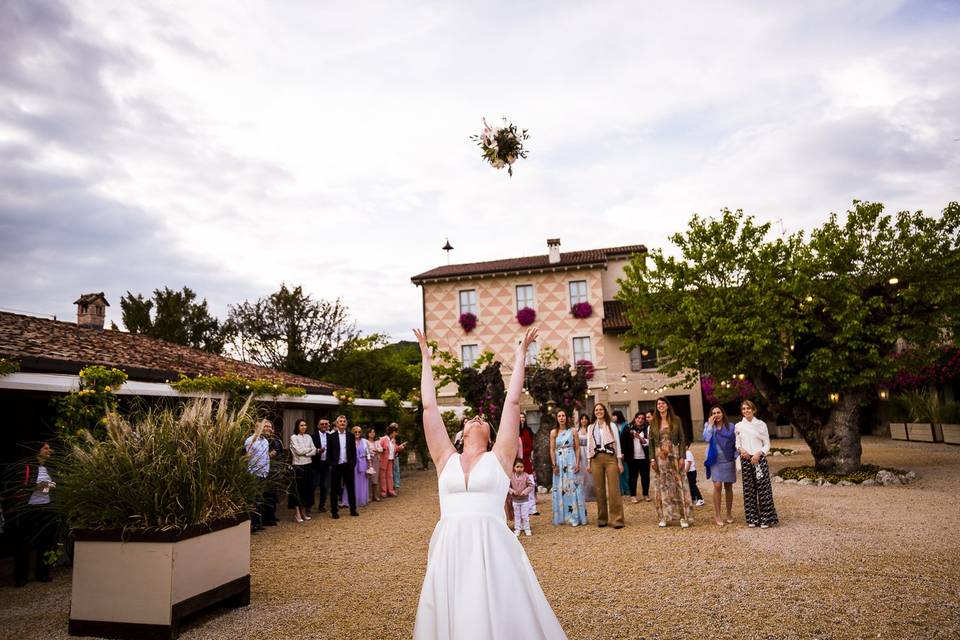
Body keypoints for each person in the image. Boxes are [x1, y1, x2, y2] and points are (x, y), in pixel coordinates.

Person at [412, 326, 566, 639]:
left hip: (491, 547)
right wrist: (426, 359)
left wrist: (521, 355)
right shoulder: (445, 459)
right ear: (463, 433)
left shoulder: (499, 458)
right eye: (471, 419)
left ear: (490, 435)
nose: (477, 418)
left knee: (497, 615)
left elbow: (511, 405)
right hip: (450, 546)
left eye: (482, 420)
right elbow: (429, 408)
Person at [11, 441, 59, 587]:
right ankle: (20, 578)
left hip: (46, 508)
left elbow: (51, 487)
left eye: (49, 448)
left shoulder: (50, 468)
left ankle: (42, 574)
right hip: (29, 509)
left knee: (45, 543)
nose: (48, 450)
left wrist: (49, 487)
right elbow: (18, 486)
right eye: (45, 448)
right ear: (37, 450)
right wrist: (37, 486)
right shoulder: (27, 466)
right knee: (23, 544)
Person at [650, 397, 694, 528]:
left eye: (663, 403)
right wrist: (652, 459)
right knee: (663, 486)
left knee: (678, 485)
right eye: (658, 404)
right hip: (660, 458)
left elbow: (682, 438)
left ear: (667, 406)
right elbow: (651, 443)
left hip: (674, 456)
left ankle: (683, 517)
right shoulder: (653, 422)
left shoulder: (676, 420)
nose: (661, 405)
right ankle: (664, 516)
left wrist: (682, 457)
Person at [736, 400, 778, 529]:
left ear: (753, 410)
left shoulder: (761, 425)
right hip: (746, 459)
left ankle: (766, 518)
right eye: (743, 409)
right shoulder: (738, 426)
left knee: (764, 489)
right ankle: (752, 518)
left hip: (759, 460)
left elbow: (767, 444)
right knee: (749, 491)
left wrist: (759, 454)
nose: (746, 411)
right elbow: (737, 443)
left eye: (748, 408)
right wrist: (741, 449)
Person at [587, 403, 625, 529]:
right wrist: (588, 462)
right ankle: (602, 518)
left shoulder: (612, 425)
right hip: (596, 459)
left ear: (604, 411)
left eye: (601, 409)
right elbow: (589, 445)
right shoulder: (590, 427)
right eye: (596, 410)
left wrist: (619, 462)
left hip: (610, 458)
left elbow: (618, 444)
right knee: (599, 489)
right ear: (594, 412)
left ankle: (617, 519)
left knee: (614, 489)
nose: (599, 411)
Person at [550, 410, 586, 527]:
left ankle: (575, 516)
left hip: (571, 460)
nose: (561, 418)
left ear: (567, 417)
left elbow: (577, 448)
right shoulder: (553, 432)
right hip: (559, 462)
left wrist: (577, 463)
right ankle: (562, 517)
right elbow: (552, 449)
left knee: (573, 487)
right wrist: (554, 464)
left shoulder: (573, 431)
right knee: (561, 487)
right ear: (556, 418)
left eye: (563, 415)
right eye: (559, 416)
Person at [703, 405, 737, 526]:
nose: (716, 415)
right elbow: (706, 439)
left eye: (718, 412)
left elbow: (736, 443)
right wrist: (710, 426)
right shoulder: (708, 426)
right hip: (715, 460)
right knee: (717, 485)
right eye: (713, 413)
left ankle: (728, 513)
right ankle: (717, 514)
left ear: (722, 414)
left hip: (728, 459)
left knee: (728, 486)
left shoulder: (731, 427)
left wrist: (736, 456)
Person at [326, 415, 358, 518]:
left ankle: (353, 510)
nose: (342, 423)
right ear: (337, 424)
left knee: (351, 489)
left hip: (348, 466)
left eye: (344, 421)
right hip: (336, 466)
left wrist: (353, 464)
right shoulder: (331, 436)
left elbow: (353, 452)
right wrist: (331, 464)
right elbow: (329, 453)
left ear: (346, 423)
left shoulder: (351, 436)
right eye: (340, 421)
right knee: (334, 490)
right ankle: (334, 512)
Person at [289, 419, 316, 523]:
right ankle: (297, 513)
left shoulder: (308, 437)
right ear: (297, 426)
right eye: (301, 425)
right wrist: (308, 450)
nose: (304, 427)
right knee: (298, 491)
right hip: (298, 467)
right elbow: (299, 452)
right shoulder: (293, 437)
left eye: (305, 425)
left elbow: (314, 450)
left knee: (307, 490)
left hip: (308, 465)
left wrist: (307, 452)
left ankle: (303, 511)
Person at [244, 421, 270, 532]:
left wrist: (267, 470)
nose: (267, 429)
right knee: (253, 500)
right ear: (257, 428)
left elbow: (266, 456)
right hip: (254, 474)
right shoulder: (250, 441)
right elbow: (247, 458)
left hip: (263, 473)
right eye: (265, 427)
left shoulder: (265, 441)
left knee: (260, 499)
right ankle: (252, 525)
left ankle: (258, 524)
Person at [621, 412, 650, 503]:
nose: (640, 420)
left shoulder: (647, 428)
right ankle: (633, 495)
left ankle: (646, 494)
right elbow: (622, 441)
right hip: (632, 457)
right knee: (633, 477)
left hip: (644, 457)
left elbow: (649, 442)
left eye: (642, 418)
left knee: (645, 476)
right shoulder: (628, 427)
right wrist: (622, 452)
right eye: (638, 418)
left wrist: (640, 438)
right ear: (635, 418)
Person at [262, 421, 283, 526]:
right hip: (263, 471)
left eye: (269, 426)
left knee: (274, 495)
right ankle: (265, 518)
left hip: (275, 471)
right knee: (265, 495)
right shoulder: (260, 440)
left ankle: (272, 515)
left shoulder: (276, 440)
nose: (267, 428)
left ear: (273, 429)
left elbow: (278, 453)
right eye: (265, 426)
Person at [518, 414, 539, 516]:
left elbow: (530, 446)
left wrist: (521, 452)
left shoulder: (527, 432)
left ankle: (532, 508)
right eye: (520, 417)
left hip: (525, 461)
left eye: (523, 417)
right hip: (516, 463)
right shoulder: (514, 432)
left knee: (531, 483)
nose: (521, 419)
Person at [509, 459, 535, 536]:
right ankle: (517, 529)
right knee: (517, 516)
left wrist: (524, 492)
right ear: (514, 467)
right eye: (517, 467)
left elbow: (531, 486)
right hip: (515, 500)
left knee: (525, 515)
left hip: (524, 500)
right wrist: (512, 491)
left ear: (523, 467)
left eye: (521, 467)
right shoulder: (511, 476)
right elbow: (507, 486)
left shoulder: (526, 476)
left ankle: (527, 529)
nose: (519, 469)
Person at [311, 418, 331, 513]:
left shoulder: (331, 436)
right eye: (322, 424)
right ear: (318, 426)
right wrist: (318, 451)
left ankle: (321, 505)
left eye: (326, 424)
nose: (324, 426)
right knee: (313, 485)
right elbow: (310, 450)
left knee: (325, 486)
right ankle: (309, 505)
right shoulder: (313, 437)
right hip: (316, 464)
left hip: (326, 464)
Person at [378, 424, 405, 497]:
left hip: (390, 460)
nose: (396, 434)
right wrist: (381, 449)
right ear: (392, 432)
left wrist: (400, 447)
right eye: (396, 432)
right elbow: (378, 446)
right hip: (383, 460)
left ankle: (391, 490)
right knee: (382, 476)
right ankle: (383, 491)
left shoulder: (393, 440)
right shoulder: (383, 439)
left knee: (390, 475)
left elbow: (395, 448)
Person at [348, 425, 370, 508]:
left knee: (362, 482)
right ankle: (350, 501)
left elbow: (367, 453)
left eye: (359, 432)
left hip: (363, 463)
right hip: (352, 464)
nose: (357, 433)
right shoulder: (349, 441)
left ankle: (362, 500)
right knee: (352, 482)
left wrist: (370, 464)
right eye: (355, 432)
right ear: (352, 432)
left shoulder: (364, 441)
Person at [577, 414, 595, 503]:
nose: (584, 420)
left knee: (590, 475)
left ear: (588, 420)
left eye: (585, 419)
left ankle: (591, 495)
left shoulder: (591, 430)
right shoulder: (577, 431)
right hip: (580, 453)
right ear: (580, 421)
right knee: (581, 475)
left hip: (589, 452)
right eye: (582, 419)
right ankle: (581, 495)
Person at [612, 410, 631, 497]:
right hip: (615, 452)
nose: (613, 417)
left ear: (618, 416)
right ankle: (620, 491)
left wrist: (624, 453)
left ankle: (627, 490)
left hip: (625, 453)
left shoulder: (626, 426)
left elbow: (628, 441)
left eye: (614, 416)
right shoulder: (613, 426)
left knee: (626, 472)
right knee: (617, 472)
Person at [367, 428, 383, 501]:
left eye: (373, 432)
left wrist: (376, 450)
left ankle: (375, 495)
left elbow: (381, 449)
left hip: (376, 460)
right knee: (369, 477)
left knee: (375, 477)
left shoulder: (376, 442)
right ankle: (369, 496)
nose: (372, 434)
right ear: (368, 433)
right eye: (370, 432)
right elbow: (366, 450)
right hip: (368, 460)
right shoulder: (366, 442)